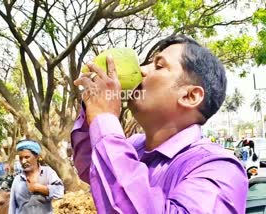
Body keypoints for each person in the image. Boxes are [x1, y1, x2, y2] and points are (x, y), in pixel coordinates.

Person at [71, 34, 248, 213]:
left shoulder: (219, 169)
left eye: (159, 65)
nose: (142, 70)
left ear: (190, 96)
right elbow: (90, 166)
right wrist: (93, 109)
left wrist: (105, 119)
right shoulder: (134, 146)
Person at [9, 139, 64, 214]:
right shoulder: (17, 180)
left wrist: (40, 188)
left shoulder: (47, 173)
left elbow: (60, 191)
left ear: (37, 156)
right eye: (20, 158)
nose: (23, 161)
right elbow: (12, 206)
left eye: (27, 157)